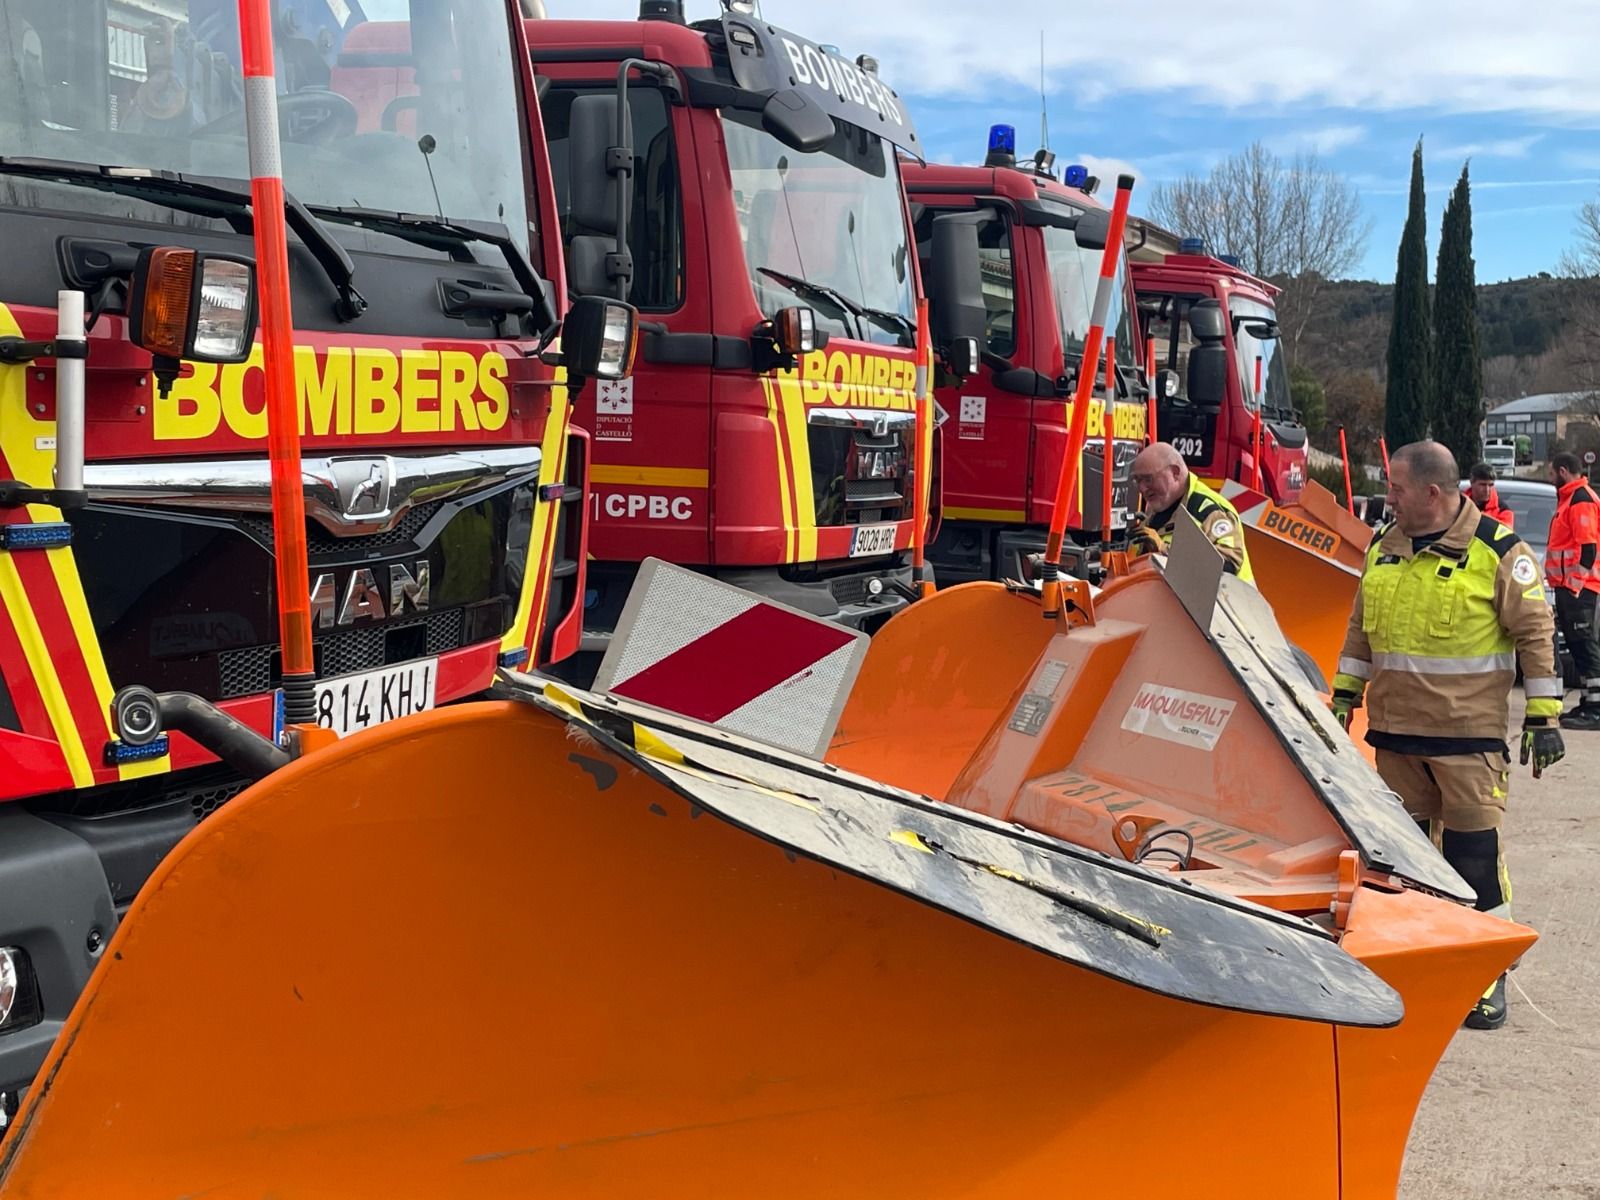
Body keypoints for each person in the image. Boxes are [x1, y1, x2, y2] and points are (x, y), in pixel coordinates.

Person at [1331, 441, 1564, 1030]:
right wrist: (1342, 699)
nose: (1389, 498)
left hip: (1468, 741)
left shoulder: (1498, 553)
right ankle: (1420, 960)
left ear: (1432, 493)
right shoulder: (1385, 548)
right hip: (1396, 739)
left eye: (1397, 489)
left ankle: (1487, 974)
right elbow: (1360, 631)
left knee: (1474, 861)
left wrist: (1545, 714)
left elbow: (1536, 633)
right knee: (1406, 866)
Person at [1127, 443, 1253, 581]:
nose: (1142, 488)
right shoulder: (1159, 508)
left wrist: (1164, 550)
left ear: (1175, 473)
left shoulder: (1208, 511)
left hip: (1229, 600)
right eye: (1137, 481)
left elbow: (1227, 565)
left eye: (1148, 479)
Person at [1546, 452, 1600, 730]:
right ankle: (1589, 703)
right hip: (1568, 587)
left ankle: (1596, 708)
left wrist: (1576, 586)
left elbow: (1588, 549)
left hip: (1579, 588)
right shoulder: (1570, 498)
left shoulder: (1580, 500)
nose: (1550, 477)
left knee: (1585, 643)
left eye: (1552, 473)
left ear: (1563, 471)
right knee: (1579, 645)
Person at [1464, 462, 1515, 529]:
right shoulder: (1459, 505)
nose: (1487, 490)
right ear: (1471, 482)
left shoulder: (1503, 511)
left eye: (1491, 485)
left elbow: (1505, 537)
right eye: (1482, 485)